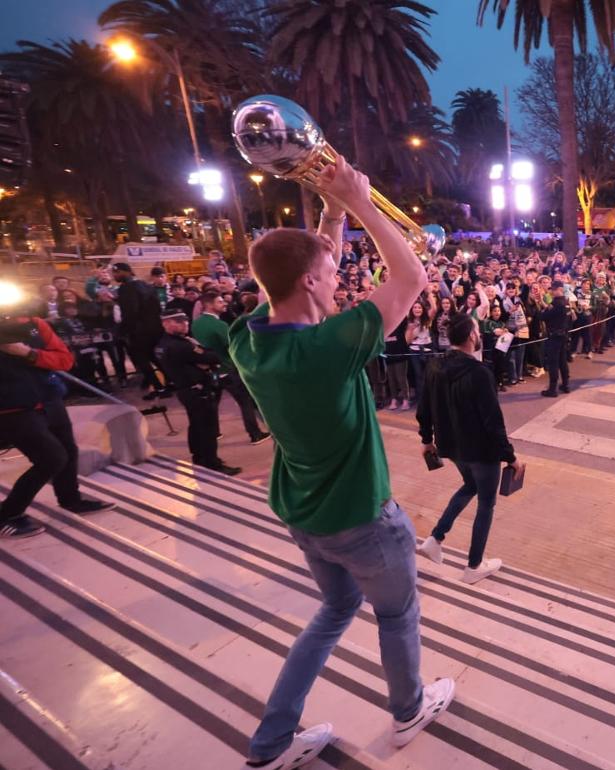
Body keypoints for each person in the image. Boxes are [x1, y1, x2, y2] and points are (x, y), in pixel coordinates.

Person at [228, 157, 453, 769]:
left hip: (304, 516)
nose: (339, 280)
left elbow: (303, 267)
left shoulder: (247, 337)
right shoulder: (328, 347)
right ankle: (409, 711)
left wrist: (328, 214)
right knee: (397, 612)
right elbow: (410, 278)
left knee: (331, 612)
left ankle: (270, 743)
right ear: (308, 285)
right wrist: (360, 202)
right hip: (362, 518)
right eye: (331, 274)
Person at [415, 313, 519, 584]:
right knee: (487, 503)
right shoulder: (480, 373)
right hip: (482, 451)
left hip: (451, 446)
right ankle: (473, 566)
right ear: (473, 336)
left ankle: (435, 539)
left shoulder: (435, 366)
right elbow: (493, 421)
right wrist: (511, 457)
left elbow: (423, 408)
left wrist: (427, 440)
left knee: (469, 486)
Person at [0, 307, 114, 539]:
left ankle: (70, 499)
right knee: (51, 459)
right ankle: (7, 515)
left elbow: (65, 360)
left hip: (49, 400)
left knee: (69, 452)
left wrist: (28, 353)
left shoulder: (33, 324)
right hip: (11, 409)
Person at [154, 311, 241, 476]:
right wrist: (203, 359)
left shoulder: (164, 344)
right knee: (208, 428)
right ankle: (212, 463)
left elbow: (204, 354)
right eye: (178, 322)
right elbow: (212, 357)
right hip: (198, 391)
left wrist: (202, 358)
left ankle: (200, 459)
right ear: (165, 324)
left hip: (187, 390)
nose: (184, 324)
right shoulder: (180, 345)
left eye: (185, 321)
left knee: (196, 426)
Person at [192, 290, 270, 444]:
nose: (224, 303)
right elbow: (232, 344)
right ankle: (254, 434)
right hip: (227, 368)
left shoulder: (196, 323)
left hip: (212, 370)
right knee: (245, 401)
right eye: (220, 302)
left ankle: (214, 432)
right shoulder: (218, 324)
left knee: (213, 403)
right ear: (209, 305)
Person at [112, 261, 165, 398]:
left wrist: (123, 331)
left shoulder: (126, 288)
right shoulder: (147, 286)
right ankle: (170, 382)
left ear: (126, 271)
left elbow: (130, 312)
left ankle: (159, 387)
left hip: (138, 331)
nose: (114, 275)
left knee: (142, 359)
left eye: (116, 272)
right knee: (155, 357)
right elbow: (157, 307)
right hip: (155, 328)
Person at [538, 282, 571, 397]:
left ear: (560, 289)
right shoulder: (565, 302)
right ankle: (566, 385)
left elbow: (544, 316)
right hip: (563, 335)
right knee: (562, 362)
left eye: (554, 289)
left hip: (554, 336)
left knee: (553, 363)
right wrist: (543, 302)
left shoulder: (557, 303)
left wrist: (543, 310)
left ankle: (552, 389)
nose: (551, 291)